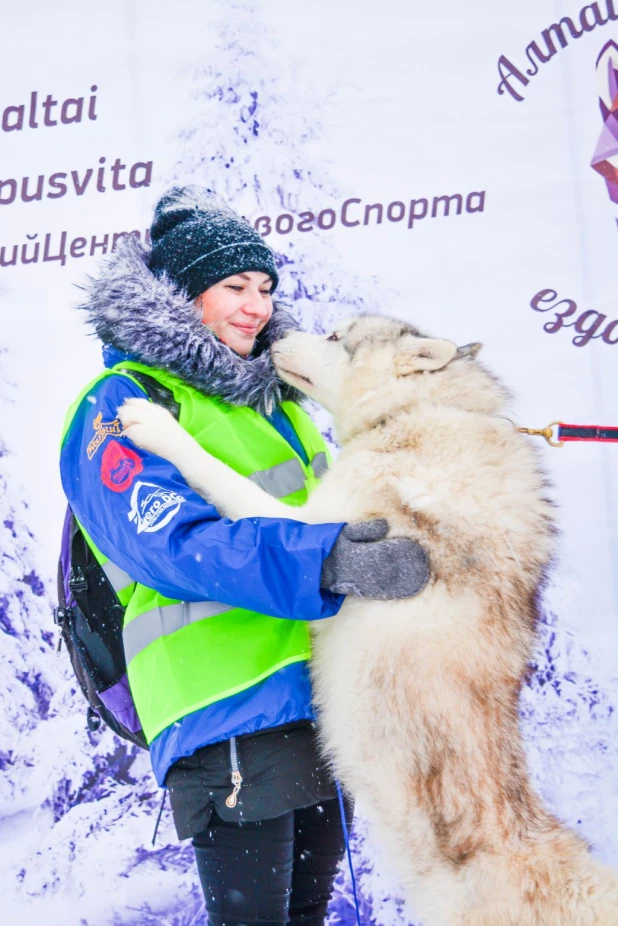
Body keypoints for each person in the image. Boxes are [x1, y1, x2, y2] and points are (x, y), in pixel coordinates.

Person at [60, 185, 429, 926]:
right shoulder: (123, 403)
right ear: (178, 294)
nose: (256, 305)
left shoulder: (281, 407)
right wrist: (328, 563)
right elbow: (174, 547)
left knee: (306, 916)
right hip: (224, 708)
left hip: (319, 700)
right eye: (233, 286)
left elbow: (335, 518)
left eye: (264, 287)